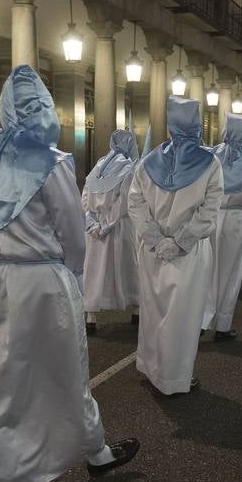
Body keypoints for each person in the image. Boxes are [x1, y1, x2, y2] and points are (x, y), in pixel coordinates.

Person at [0, 66, 139, 482]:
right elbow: (72, 232)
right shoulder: (51, 161)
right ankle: (92, 451)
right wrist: (73, 274)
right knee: (65, 373)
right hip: (42, 280)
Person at [129, 96, 222, 395]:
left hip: (153, 252)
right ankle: (174, 378)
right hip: (189, 253)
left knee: (153, 310)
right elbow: (210, 209)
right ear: (196, 123)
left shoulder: (148, 162)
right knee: (181, 317)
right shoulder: (210, 163)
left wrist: (156, 240)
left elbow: (136, 204)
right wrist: (181, 241)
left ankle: (152, 367)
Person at [202, 113, 242, 339]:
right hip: (235, 218)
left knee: (207, 268)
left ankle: (201, 319)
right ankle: (223, 325)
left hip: (210, 217)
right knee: (230, 272)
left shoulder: (210, 157)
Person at [83, 127, 142, 334]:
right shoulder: (129, 168)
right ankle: (136, 309)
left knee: (94, 271)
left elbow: (85, 198)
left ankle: (90, 315)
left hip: (95, 230)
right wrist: (107, 224)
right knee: (128, 268)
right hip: (120, 228)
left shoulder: (99, 166)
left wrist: (91, 223)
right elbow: (125, 203)